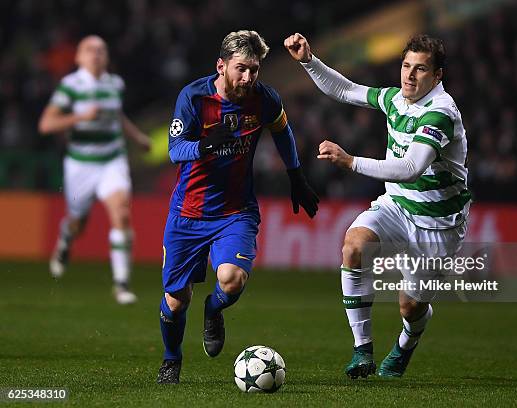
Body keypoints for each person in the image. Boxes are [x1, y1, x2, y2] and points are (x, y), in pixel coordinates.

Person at [285, 32, 471, 378]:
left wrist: (350, 161)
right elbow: (346, 90)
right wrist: (309, 61)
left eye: (420, 70)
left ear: (437, 76)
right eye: (405, 66)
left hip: (438, 222)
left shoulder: (441, 114)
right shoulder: (396, 99)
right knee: (354, 246)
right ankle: (362, 351)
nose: (409, 76)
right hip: (396, 206)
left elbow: (410, 168)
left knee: (411, 306)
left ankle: (405, 345)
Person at [156, 30, 319, 384]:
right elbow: (174, 150)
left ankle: (213, 311)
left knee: (230, 280)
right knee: (175, 300)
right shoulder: (194, 97)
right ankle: (172, 359)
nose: (248, 77)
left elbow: (282, 130)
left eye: (255, 69)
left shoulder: (263, 99)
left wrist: (296, 176)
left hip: (235, 211)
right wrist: (204, 146)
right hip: (189, 213)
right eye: (241, 69)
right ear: (222, 65)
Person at [39, 35, 151, 305]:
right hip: (80, 165)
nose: (96, 54)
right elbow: (46, 124)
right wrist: (80, 117)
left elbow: (117, 116)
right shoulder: (70, 86)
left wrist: (137, 138)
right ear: (78, 57)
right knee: (78, 224)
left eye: (101, 50)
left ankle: (121, 284)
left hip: (112, 160)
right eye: (90, 50)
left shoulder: (115, 83)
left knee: (122, 213)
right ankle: (66, 237)